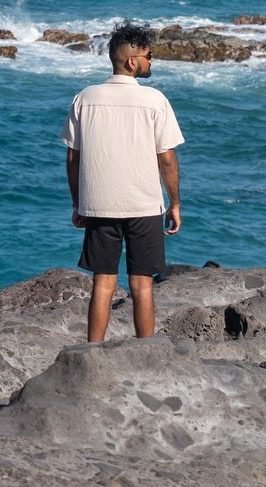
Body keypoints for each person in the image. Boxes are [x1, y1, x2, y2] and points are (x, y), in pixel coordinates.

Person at [63, 22, 183, 343]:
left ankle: (92, 353)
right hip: (143, 205)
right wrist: (174, 203)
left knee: (103, 283)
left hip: (100, 205)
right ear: (132, 62)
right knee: (142, 285)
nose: (151, 61)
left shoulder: (84, 98)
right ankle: (145, 352)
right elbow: (167, 159)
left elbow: (73, 159)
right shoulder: (155, 100)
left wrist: (78, 203)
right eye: (148, 55)